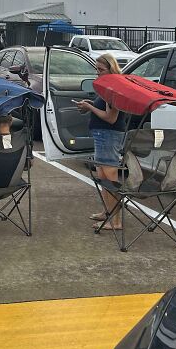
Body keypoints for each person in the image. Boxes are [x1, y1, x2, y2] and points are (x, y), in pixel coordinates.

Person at [74, 54, 125, 231]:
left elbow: (111, 118)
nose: (98, 73)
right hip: (103, 134)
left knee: (110, 175)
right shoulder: (107, 87)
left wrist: (89, 107)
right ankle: (108, 212)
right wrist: (91, 104)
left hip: (108, 134)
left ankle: (116, 221)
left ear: (111, 69)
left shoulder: (113, 88)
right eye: (96, 69)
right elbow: (104, 111)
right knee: (103, 175)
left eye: (101, 70)